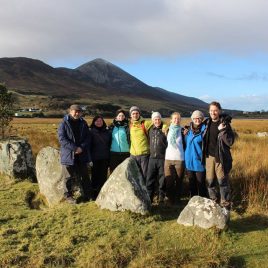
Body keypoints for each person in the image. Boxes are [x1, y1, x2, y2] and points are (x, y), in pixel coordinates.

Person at [203, 101, 235, 214]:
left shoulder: (225, 124)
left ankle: (225, 205)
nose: (213, 112)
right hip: (209, 157)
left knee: (222, 182)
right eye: (211, 110)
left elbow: (230, 141)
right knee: (210, 181)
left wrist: (222, 130)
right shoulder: (207, 122)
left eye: (215, 110)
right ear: (209, 111)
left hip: (220, 157)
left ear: (219, 111)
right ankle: (213, 202)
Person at [58, 104, 92, 203]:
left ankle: (88, 195)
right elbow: (62, 139)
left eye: (79, 111)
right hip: (69, 154)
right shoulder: (63, 123)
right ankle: (68, 196)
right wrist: (74, 148)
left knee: (85, 175)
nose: (77, 113)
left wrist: (81, 147)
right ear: (70, 111)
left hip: (81, 154)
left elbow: (88, 137)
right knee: (68, 177)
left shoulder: (83, 123)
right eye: (75, 111)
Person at [184, 110, 207, 197]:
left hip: (199, 162)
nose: (197, 120)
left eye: (199, 118)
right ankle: (193, 203)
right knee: (192, 184)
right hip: (189, 162)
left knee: (201, 184)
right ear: (192, 119)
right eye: (195, 118)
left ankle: (202, 203)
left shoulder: (205, 131)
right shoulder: (188, 131)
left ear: (201, 119)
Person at [146, 112, 168, 203]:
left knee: (162, 180)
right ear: (152, 120)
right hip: (151, 158)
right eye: (155, 119)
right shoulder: (150, 129)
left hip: (162, 158)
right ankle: (149, 198)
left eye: (159, 119)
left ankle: (161, 198)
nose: (157, 121)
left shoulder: (165, 129)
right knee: (149, 179)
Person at [164, 112, 185, 205]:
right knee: (169, 181)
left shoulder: (183, 131)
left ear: (180, 120)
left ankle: (177, 199)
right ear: (171, 120)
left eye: (178, 119)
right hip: (168, 158)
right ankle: (169, 199)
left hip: (179, 159)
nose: (176, 120)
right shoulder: (167, 130)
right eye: (175, 118)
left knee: (179, 180)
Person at [89, 115, 111, 200]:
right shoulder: (90, 132)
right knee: (94, 177)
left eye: (101, 121)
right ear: (94, 122)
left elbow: (109, 145)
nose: (99, 122)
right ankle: (94, 195)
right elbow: (89, 146)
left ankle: (102, 194)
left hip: (105, 157)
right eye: (97, 121)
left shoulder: (107, 132)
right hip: (94, 158)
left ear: (103, 122)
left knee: (103, 177)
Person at [129, 106, 152, 183]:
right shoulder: (130, 125)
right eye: (133, 114)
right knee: (134, 174)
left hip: (144, 154)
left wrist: (165, 127)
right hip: (133, 155)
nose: (135, 115)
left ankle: (145, 192)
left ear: (139, 114)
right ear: (130, 115)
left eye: (136, 113)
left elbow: (158, 121)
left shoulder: (145, 123)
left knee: (144, 175)